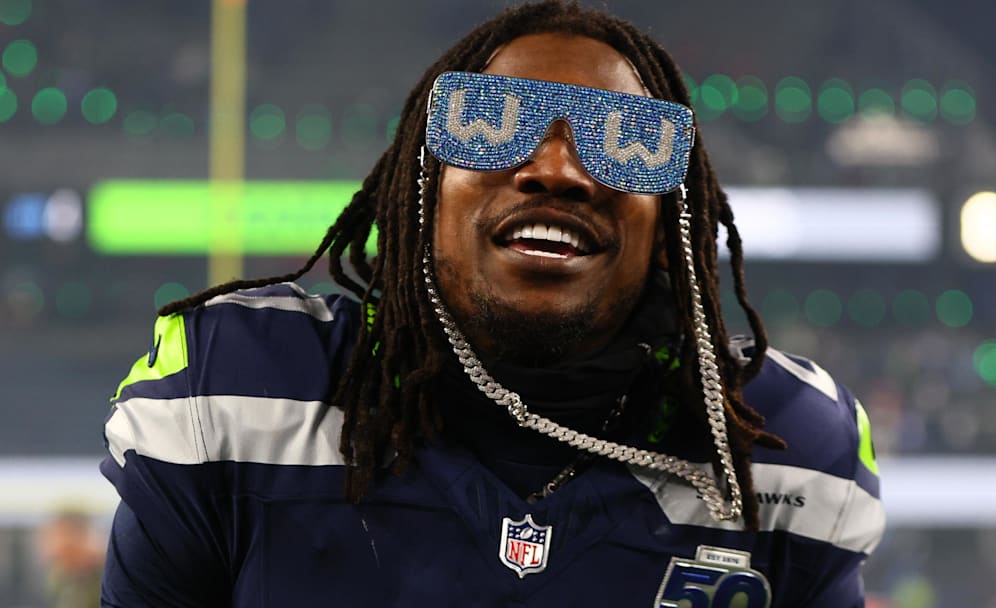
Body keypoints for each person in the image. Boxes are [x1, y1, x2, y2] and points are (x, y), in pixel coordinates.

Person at [100, 2, 884, 606]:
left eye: (626, 140)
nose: (557, 170)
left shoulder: (784, 445)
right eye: (491, 122)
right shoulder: (238, 389)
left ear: (670, 223)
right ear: (424, 189)